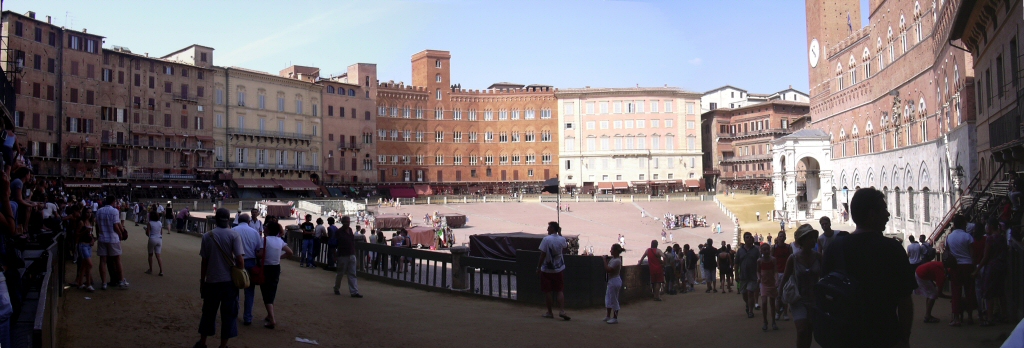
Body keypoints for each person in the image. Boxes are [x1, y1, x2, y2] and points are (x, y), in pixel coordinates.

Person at [821, 187, 916, 347]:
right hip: (883, 335)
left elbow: (825, 295)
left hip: (845, 336)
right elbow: (904, 300)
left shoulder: (835, 248)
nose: (888, 214)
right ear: (872, 214)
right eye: (884, 209)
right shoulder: (892, 249)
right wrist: (904, 338)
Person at [195, 208, 244, 348]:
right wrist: (240, 272)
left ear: (215, 219)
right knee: (229, 314)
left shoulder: (207, 236)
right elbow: (240, 260)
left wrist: (202, 280)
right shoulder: (234, 235)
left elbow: (204, 262)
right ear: (228, 220)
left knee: (208, 313)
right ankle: (223, 345)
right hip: (229, 282)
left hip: (211, 281)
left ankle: (203, 342)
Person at [781, 224, 821, 348]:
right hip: (798, 298)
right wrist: (779, 299)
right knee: (802, 329)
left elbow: (825, 276)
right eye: (810, 238)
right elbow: (785, 278)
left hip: (815, 299)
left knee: (809, 330)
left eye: (814, 238)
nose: (813, 241)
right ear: (802, 241)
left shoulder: (819, 257)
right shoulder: (793, 258)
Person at [259, 220, 293, 329]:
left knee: (265, 292)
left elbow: (260, 254)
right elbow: (290, 252)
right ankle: (269, 315)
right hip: (276, 267)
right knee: (272, 290)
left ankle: (272, 319)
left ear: (268, 230)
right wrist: (279, 257)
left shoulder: (264, 240)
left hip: (266, 267)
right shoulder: (280, 241)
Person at [974, 218, 1007, 327]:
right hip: (1001, 267)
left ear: (990, 227)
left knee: (988, 294)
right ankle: (1004, 315)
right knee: (1000, 293)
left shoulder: (990, 239)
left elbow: (986, 257)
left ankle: (990, 317)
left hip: (991, 267)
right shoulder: (1002, 238)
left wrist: (977, 270)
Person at [945, 214, 975, 327]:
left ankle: (956, 317)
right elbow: (972, 253)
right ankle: (970, 316)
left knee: (956, 292)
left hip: (955, 266)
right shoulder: (968, 237)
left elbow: (947, 252)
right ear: (963, 224)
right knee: (969, 291)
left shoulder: (949, 237)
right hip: (967, 265)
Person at [234, 214, 262, 326]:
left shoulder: (233, 230)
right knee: (249, 292)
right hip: (250, 261)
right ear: (249, 222)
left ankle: (234, 313)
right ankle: (248, 317)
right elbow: (258, 249)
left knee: (234, 290)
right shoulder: (254, 232)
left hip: (236, 261)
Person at [537, 221, 570, 320]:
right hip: (558, 269)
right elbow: (565, 246)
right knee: (560, 290)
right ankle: (562, 310)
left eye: (549, 228)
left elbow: (543, 254)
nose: (547, 229)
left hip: (547, 270)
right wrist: (560, 233)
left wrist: (538, 267)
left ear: (552, 229)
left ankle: (550, 312)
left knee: (548, 291)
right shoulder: (562, 239)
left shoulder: (546, 239)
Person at [96, 196, 128, 290]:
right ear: (113, 202)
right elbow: (115, 226)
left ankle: (104, 283)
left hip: (102, 237)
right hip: (112, 238)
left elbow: (97, 225)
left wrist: (98, 235)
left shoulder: (99, 211)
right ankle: (121, 280)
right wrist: (120, 235)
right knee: (117, 260)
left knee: (102, 261)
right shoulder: (114, 211)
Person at [333, 216, 362, 298]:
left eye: (348, 222)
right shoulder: (338, 232)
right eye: (345, 222)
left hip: (351, 254)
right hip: (342, 255)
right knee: (340, 273)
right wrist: (335, 256)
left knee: (352, 274)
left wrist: (355, 254)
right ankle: (336, 288)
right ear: (342, 222)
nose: (347, 223)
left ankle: (354, 292)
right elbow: (334, 245)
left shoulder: (350, 230)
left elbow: (352, 243)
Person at [736, 232, 761, 318]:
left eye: (750, 237)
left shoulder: (756, 250)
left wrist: (759, 274)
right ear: (744, 239)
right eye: (747, 237)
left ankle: (750, 311)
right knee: (744, 293)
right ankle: (748, 304)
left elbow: (760, 262)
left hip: (753, 275)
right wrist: (736, 274)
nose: (749, 239)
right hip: (743, 276)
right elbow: (736, 263)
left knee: (750, 292)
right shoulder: (740, 251)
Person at [757, 243, 778, 331]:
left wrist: (777, 280)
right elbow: (758, 271)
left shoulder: (773, 260)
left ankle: (773, 322)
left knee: (772, 304)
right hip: (764, 284)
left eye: (767, 249)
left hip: (772, 283)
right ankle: (765, 321)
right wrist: (758, 278)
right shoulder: (759, 261)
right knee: (764, 302)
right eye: (764, 250)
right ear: (761, 251)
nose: (766, 251)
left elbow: (776, 271)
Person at [772, 231, 792, 322]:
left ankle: (785, 313)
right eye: (780, 236)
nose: (782, 238)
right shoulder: (774, 248)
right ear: (778, 237)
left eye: (783, 236)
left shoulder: (788, 247)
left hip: (786, 272)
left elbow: (792, 259)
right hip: (777, 273)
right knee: (778, 294)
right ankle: (777, 312)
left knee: (785, 293)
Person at [75, 210, 96, 291]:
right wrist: (84, 232)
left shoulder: (89, 222)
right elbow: (76, 234)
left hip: (88, 245)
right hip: (82, 245)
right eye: (87, 212)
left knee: (84, 266)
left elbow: (90, 235)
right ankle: (88, 283)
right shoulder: (81, 222)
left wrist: (93, 240)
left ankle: (80, 283)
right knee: (89, 264)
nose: (89, 214)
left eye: (90, 212)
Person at [603, 244, 624, 324]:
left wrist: (604, 260)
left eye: (612, 250)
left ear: (615, 251)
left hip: (614, 281)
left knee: (614, 299)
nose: (610, 251)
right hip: (611, 280)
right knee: (608, 298)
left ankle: (615, 317)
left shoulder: (617, 260)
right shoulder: (614, 259)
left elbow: (608, 269)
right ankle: (608, 315)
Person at [145, 210, 164, 276]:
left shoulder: (150, 223)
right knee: (158, 256)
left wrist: (146, 231)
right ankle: (161, 271)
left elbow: (148, 233)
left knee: (150, 254)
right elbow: (161, 232)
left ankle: (150, 269)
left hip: (152, 238)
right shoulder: (160, 223)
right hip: (159, 239)